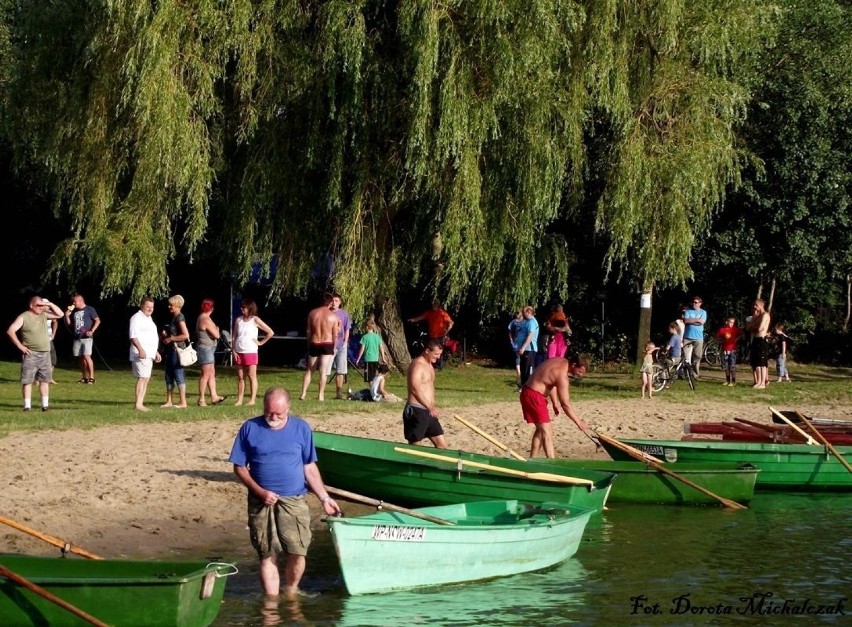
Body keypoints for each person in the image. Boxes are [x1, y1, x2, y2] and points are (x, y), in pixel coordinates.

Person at [228, 387, 342, 598]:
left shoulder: (301, 428)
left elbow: (309, 468)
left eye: (278, 414)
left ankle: (290, 591)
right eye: (269, 412)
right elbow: (239, 467)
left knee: (298, 551)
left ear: (289, 407)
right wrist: (260, 492)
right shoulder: (249, 428)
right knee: (266, 553)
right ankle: (271, 603)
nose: (272, 418)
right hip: (261, 502)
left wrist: (324, 497)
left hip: (294, 499)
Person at [520, 355, 590, 458]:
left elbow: (551, 381)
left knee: (540, 430)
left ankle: (532, 459)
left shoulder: (560, 361)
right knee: (547, 432)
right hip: (534, 397)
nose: (580, 375)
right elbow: (565, 404)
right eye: (580, 372)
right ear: (574, 365)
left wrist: (554, 402)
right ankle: (552, 463)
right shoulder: (562, 376)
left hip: (529, 392)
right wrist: (579, 422)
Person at [7, 295, 64, 411]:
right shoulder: (24, 317)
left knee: (45, 380)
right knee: (27, 380)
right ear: (31, 305)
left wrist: (49, 304)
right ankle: (27, 406)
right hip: (31, 354)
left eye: (42, 306)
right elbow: (11, 330)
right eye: (39, 305)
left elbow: (60, 314)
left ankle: (45, 405)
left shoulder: (44, 315)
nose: (41, 308)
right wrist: (20, 346)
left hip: (45, 353)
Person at [403, 339, 448, 448]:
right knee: (415, 447)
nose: (438, 357)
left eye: (439, 354)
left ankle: (438, 465)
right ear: (427, 351)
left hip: (428, 411)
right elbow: (415, 389)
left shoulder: (429, 366)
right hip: (417, 410)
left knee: (442, 446)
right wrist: (430, 407)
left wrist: (431, 407)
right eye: (436, 354)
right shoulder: (418, 365)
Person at [232, 297, 275, 406]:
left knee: (252, 376)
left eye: (244, 308)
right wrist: (233, 349)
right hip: (238, 351)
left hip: (250, 351)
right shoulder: (238, 320)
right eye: (241, 308)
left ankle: (252, 399)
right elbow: (234, 336)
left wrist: (261, 342)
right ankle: (239, 400)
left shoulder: (255, 319)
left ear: (250, 308)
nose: (242, 310)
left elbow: (270, 332)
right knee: (241, 377)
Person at [299, 294, 340, 401]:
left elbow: (308, 331)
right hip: (327, 343)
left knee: (309, 370)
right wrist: (334, 347)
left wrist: (309, 343)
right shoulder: (333, 316)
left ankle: (303, 393)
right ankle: (320, 395)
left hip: (315, 342)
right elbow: (335, 334)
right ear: (330, 302)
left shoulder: (312, 313)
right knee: (323, 370)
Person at [129, 296, 162, 411]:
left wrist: (156, 351)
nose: (150, 309)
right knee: (142, 377)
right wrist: (140, 349)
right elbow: (133, 336)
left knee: (146, 378)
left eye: (152, 307)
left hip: (149, 353)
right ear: (142, 306)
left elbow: (150, 337)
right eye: (147, 307)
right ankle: (138, 404)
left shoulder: (149, 318)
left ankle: (140, 403)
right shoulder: (136, 318)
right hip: (140, 353)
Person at [64, 293, 100, 384]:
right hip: (77, 337)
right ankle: (85, 377)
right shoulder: (75, 312)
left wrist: (92, 330)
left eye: (75, 302)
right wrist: (67, 316)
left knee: (87, 356)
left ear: (80, 301)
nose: (73, 303)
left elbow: (98, 320)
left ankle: (92, 377)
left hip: (86, 337)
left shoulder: (89, 309)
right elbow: (70, 325)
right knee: (80, 357)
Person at [196, 298, 227, 406]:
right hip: (205, 349)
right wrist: (217, 329)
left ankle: (214, 396)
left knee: (211, 373)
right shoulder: (205, 319)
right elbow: (217, 335)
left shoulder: (204, 318)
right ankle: (201, 399)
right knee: (205, 374)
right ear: (212, 309)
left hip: (208, 349)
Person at [408, 299, 454, 368]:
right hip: (432, 336)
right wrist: (413, 320)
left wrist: (447, 330)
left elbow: (451, 322)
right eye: (433, 304)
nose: (433, 306)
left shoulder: (442, 313)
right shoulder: (429, 313)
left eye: (435, 304)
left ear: (438, 305)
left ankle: (439, 365)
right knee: (431, 350)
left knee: (438, 350)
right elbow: (421, 317)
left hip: (440, 336)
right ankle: (431, 363)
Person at [327, 293, 353, 399]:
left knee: (341, 370)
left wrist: (345, 342)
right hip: (329, 344)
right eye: (332, 300)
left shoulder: (344, 314)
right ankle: (321, 393)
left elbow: (347, 328)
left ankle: (339, 392)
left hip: (341, 345)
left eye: (336, 301)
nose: (334, 303)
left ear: (340, 302)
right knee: (326, 369)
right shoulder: (327, 313)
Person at [745, 299, 771, 389]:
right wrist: (754, 320)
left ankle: (763, 383)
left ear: (761, 305)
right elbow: (748, 328)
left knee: (762, 363)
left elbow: (760, 328)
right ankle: (759, 381)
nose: (754, 307)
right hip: (756, 339)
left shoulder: (765, 315)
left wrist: (753, 326)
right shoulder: (757, 316)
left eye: (756, 305)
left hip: (761, 339)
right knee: (756, 362)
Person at [354, 318, 388, 383]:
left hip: (368, 359)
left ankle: (372, 389)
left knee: (369, 378)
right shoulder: (377, 337)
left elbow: (362, 349)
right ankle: (375, 388)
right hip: (375, 359)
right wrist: (383, 358)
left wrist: (358, 359)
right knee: (375, 375)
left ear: (366, 327)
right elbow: (381, 348)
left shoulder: (364, 337)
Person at [682, 296, 707, 375]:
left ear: (700, 303)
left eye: (696, 302)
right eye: (693, 302)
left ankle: (695, 374)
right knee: (685, 357)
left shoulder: (703, 312)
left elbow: (702, 322)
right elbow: (686, 321)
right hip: (687, 337)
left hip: (698, 338)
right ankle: (685, 373)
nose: (694, 304)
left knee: (697, 356)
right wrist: (697, 320)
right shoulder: (688, 311)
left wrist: (691, 320)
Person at [716, 317, 744, 386]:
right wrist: (721, 340)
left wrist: (736, 339)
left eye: (733, 322)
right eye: (730, 322)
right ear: (727, 322)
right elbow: (717, 336)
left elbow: (741, 334)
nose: (731, 324)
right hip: (725, 349)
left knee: (732, 365)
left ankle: (733, 380)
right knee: (726, 366)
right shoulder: (722, 330)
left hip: (732, 349)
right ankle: (727, 380)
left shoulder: (735, 329)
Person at [516, 305, 540, 387]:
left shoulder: (531, 322)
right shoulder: (527, 322)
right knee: (524, 370)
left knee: (528, 371)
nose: (522, 314)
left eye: (524, 312)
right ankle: (524, 387)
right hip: (525, 350)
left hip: (529, 349)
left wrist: (523, 347)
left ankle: (528, 388)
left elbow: (531, 335)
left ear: (528, 312)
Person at [507, 310, 525, 381]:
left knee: (520, 358)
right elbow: (509, 332)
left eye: (518, 313)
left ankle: (521, 375)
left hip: (521, 343)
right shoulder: (515, 322)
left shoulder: (523, 322)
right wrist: (511, 340)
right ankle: (519, 375)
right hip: (518, 343)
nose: (517, 314)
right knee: (518, 358)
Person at [46, 317, 58, 384]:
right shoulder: (37, 313)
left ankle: (49, 378)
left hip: (49, 339)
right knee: (40, 359)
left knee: (52, 359)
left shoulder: (50, 314)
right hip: (39, 340)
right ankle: (37, 380)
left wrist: (53, 333)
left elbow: (55, 322)